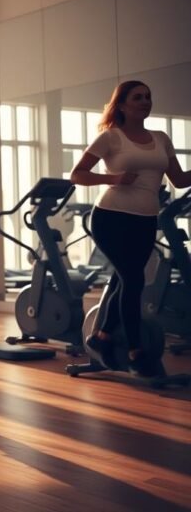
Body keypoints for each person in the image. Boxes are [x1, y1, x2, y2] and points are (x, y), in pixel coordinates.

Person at [70, 80, 191, 377]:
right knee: (133, 279)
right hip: (110, 216)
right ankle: (136, 351)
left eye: (148, 97)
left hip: (145, 218)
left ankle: (101, 337)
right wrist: (112, 179)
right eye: (138, 97)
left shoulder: (161, 138)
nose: (145, 101)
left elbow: (179, 179)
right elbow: (77, 175)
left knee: (126, 280)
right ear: (122, 104)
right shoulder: (111, 138)